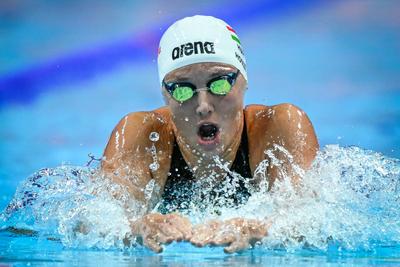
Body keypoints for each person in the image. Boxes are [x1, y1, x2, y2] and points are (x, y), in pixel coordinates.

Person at [100, 15, 319, 253]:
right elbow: (94, 222)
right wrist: (137, 228)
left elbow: (314, 221)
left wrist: (261, 229)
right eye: (183, 90)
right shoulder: (143, 136)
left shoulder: (278, 128)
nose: (203, 105)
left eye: (219, 83)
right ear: (165, 94)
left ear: (244, 81)